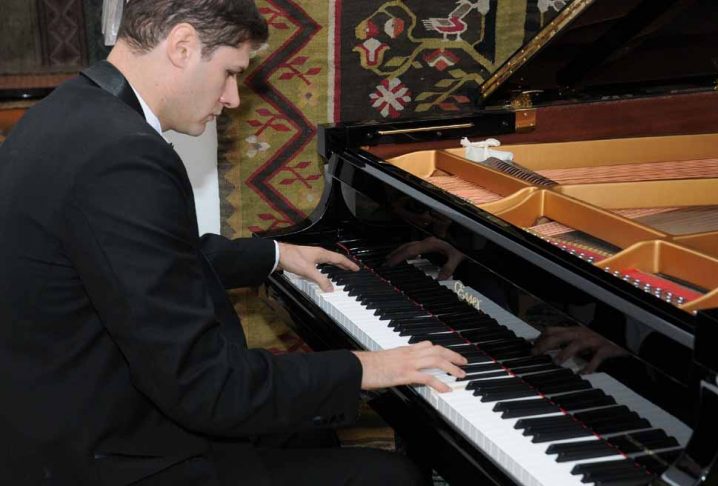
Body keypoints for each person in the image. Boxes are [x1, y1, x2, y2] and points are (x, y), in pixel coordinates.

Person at [0, 1, 467, 484]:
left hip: (61, 408)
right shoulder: (123, 156)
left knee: (308, 432)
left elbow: (139, 258)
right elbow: (204, 386)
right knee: (392, 477)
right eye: (229, 72)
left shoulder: (70, 110)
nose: (232, 98)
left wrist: (275, 254)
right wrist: (364, 368)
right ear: (183, 46)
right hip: (102, 453)